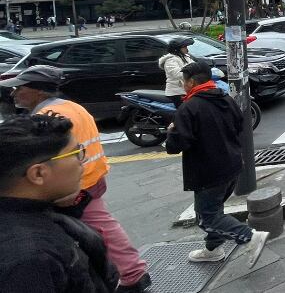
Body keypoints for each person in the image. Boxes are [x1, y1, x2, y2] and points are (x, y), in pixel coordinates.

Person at [0, 66, 151, 292]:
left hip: (80, 187)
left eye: (20, 88)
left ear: (38, 92)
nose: (13, 94)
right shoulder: (71, 106)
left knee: (99, 230)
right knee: (102, 227)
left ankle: (132, 273)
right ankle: (133, 272)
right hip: (93, 178)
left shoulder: (46, 119)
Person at [165, 61, 269, 267]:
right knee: (216, 210)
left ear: (192, 82)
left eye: (183, 81)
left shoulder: (189, 107)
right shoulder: (225, 98)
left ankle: (249, 236)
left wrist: (171, 131)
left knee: (207, 217)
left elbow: (177, 145)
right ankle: (213, 249)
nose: (182, 85)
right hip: (232, 166)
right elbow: (240, 124)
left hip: (208, 172)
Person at [0, 114, 120, 292]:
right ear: (38, 174)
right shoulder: (29, 259)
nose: (83, 160)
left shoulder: (41, 213)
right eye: (76, 153)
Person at [160, 37, 194, 107]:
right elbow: (178, 74)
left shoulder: (186, 57)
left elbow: (196, 66)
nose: (187, 49)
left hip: (188, 89)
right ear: (177, 49)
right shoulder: (170, 60)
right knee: (185, 111)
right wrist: (192, 72)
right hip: (177, 92)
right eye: (184, 47)